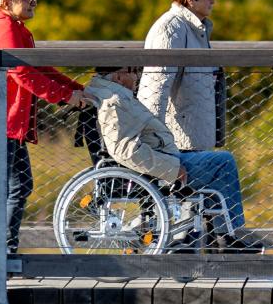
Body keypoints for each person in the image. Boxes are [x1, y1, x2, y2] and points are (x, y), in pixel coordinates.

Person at [0, 0, 89, 255]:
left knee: (18, 185)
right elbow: (22, 72)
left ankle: (3, 253)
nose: (33, 3)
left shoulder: (15, 28)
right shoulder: (3, 27)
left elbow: (39, 68)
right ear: (8, 1)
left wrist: (78, 89)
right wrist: (66, 96)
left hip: (6, 123)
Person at [84, 67, 260, 253]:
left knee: (213, 164)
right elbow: (124, 150)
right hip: (159, 167)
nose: (137, 76)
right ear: (119, 77)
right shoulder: (115, 101)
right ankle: (227, 237)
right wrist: (172, 168)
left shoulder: (111, 95)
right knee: (224, 162)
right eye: (133, 71)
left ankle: (219, 237)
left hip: (160, 158)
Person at [137, 0, 225, 151]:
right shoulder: (170, 28)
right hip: (175, 147)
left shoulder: (194, 29)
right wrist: (155, 146)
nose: (213, 1)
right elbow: (154, 90)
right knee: (226, 163)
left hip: (191, 143)